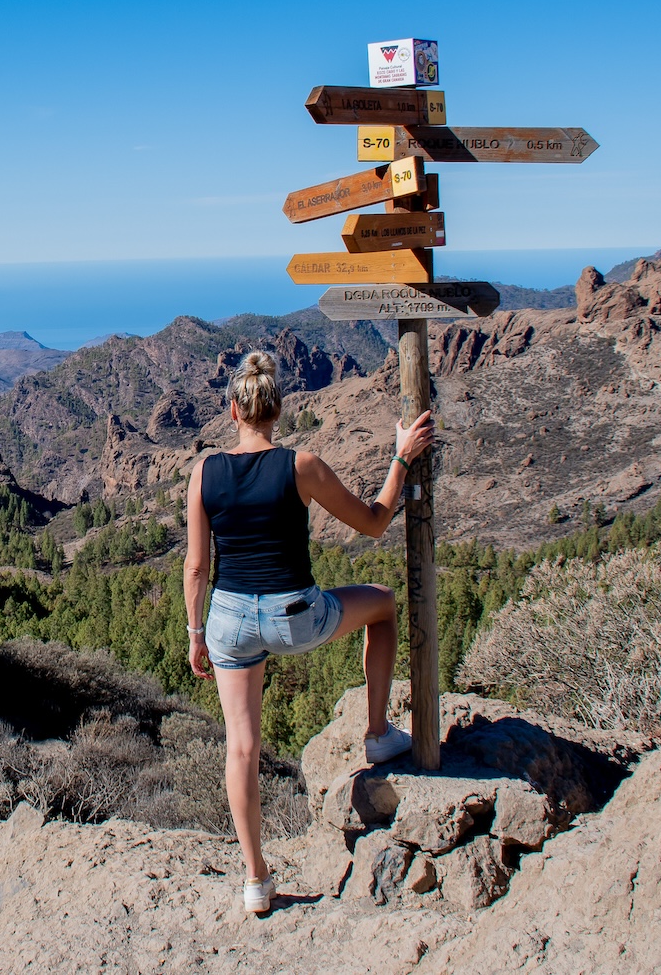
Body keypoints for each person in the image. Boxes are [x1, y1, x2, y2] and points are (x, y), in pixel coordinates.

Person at [183, 351, 434, 915]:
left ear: (232, 411)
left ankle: (255, 881)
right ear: (278, 410)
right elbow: (374, 522)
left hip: (227, 621)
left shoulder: (204, 473)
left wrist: (196, 633)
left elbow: (197, 567)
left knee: (241, 747)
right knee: (385, 606)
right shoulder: (303, 465)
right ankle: (376, 733)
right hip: (295, 615)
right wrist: (400, 457)